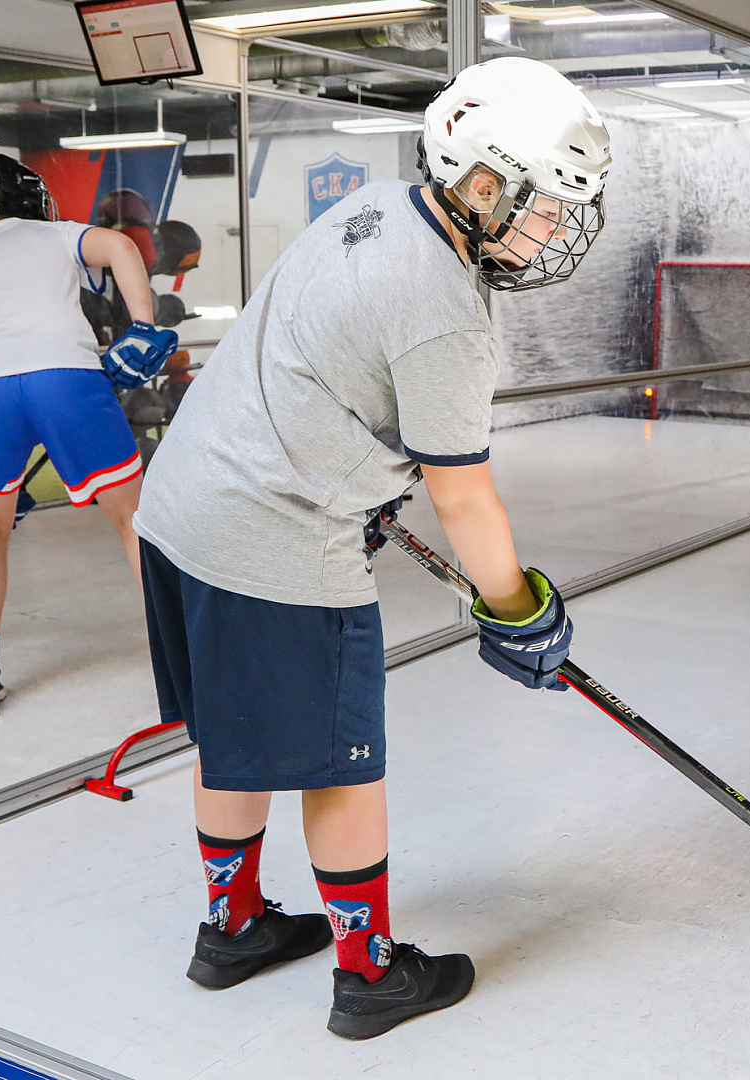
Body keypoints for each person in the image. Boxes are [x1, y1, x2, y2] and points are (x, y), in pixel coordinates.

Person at [130, 56, 611, 1039]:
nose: (560, 228)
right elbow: (464, 497)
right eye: (550, 205)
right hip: (272, 540)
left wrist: (361, 473)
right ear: (484, 187)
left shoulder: (378, 208)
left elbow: (314, 354)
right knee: (341, 764)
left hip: (182, 507)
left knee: (231, 733)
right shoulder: (445, 312)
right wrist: (518, 611)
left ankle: (233, 930)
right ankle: (368, 974)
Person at [0, 155, 175, 719]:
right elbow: (121, 247)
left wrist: (3, 475)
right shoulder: (55, 234)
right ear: (28, 196)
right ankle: (182, 661)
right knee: (134, 517)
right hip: (65, 377)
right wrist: (143, 326)